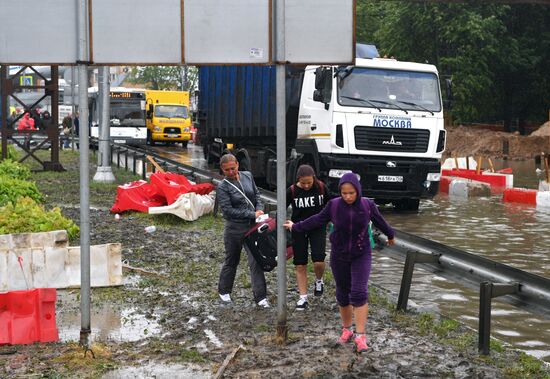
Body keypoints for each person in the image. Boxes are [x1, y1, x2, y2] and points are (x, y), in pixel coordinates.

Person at [284, 172, 395, 353]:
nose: (348, 197)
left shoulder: (367, 205)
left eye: (351, 193)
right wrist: (296, 226)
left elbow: (380, 221)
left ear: (358, 191)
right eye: (344, 193)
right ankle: (347, 330)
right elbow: (317, 219)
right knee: (343, 293)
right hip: (339, 255)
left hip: (361, 254)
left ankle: (361, 336)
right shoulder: (334, 205)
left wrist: (390, 235)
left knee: (359, 292)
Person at [216, 153, 270, 308]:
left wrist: (259, 209)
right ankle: (224, 291)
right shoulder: (223, 187)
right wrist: (251, 214)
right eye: (227, 170)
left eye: (233, 168)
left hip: (252, 227)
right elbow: (228, 211)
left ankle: (260, 297)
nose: (231, 172)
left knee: (256, 261)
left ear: (238, 165)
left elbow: (257, 196)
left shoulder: (247, 176)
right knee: (232, 260)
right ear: (222, 170)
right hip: (234, 229)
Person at [286, 164, 328, 310]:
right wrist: (285, 225)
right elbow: (281, 208)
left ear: (314, 179)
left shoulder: (321, 187)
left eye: (309, 183)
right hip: (298, 229)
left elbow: (332, 206)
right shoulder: (292, 191)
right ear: (298, 180)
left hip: (317, 228)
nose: (306, 186)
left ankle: (319, 280)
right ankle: (303, 297)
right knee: (300, 263)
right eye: (303, 183)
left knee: (318, 260)